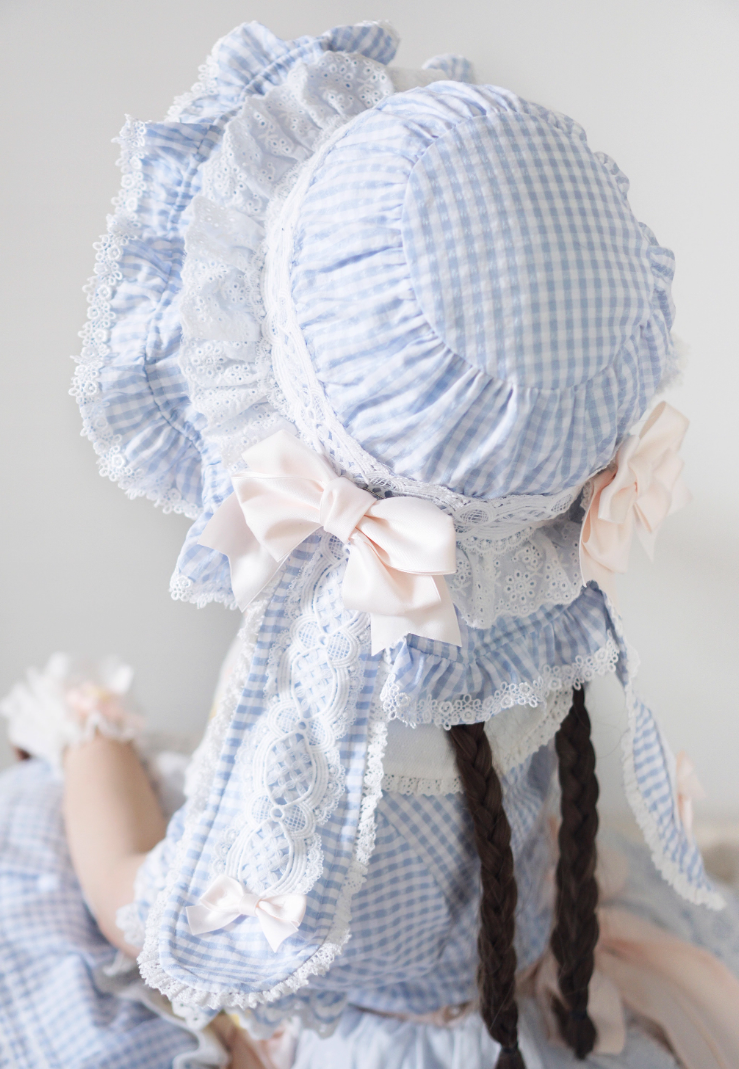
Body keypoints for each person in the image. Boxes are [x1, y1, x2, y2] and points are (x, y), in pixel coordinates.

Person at [3, 18, 739, 1069]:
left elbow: (159, 921)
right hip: (525, 972)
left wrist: (87, 740)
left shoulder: (332, 680)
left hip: (367, 1032)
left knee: (35, 821)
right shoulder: (547, 590)